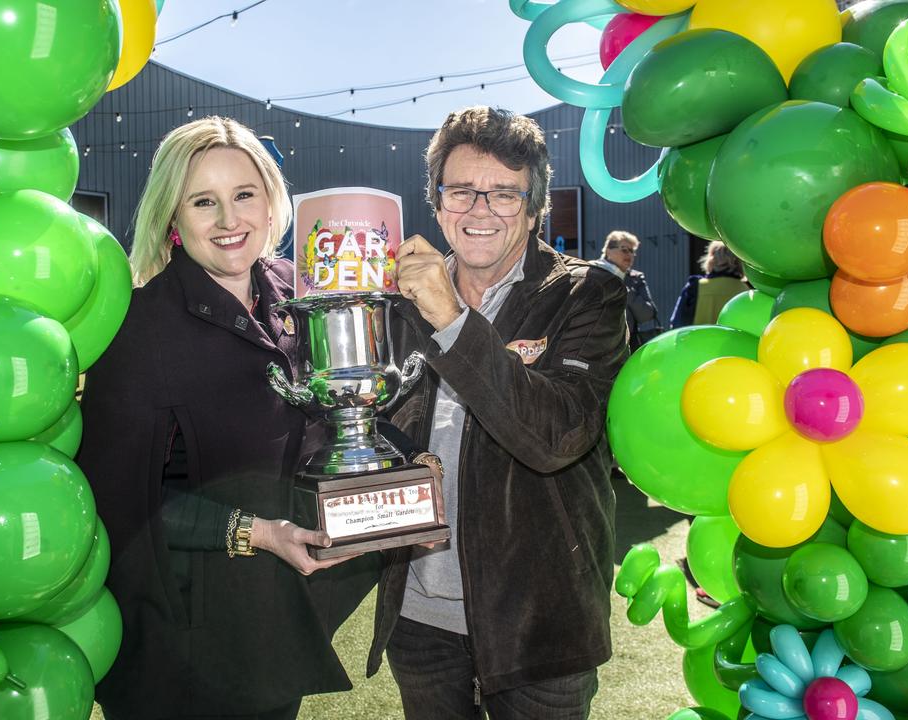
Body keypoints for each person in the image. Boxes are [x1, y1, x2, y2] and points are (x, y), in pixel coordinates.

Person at [77, 116, 377, 719]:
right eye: (203, 202)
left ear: (271, 203)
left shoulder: (307, 298)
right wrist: (256, 531)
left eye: (244, 194)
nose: (229, 220)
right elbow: (121, 500)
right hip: (178, 640)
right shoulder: (136, 329)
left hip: (275, 627)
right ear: (173, 219)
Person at [366, 106, 630, 719]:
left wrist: (453, 320)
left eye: (504, 193)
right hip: (422, 618)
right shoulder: (400, 300)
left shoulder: (586, 293)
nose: (480, 209)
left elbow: (557, 434)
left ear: (535, 206)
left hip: (542, 623)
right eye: (462, 191)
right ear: (437, 202)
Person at [592, 231, 662, 351]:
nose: (629, 254)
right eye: (624, 249)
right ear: (608, 251)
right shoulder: (591, 272)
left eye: (632, 251)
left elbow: (647, 314)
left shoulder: (636, 278)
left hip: (627, 346)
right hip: (595, 342)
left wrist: (622, 289)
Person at [668, 240, 749, 328]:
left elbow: (677, 323)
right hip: (732, 341)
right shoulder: (745, 290)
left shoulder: (696, 286)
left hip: (699, 340)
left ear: (711, 259)